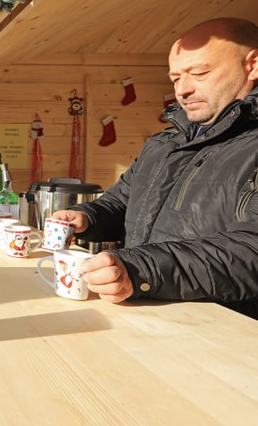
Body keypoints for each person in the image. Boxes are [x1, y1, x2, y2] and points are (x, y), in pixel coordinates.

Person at [52, 17, 258, 319]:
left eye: (199, 73)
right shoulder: (165, 142)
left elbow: (250, 251)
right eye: (175, 78)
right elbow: (122, 200)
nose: (183, 90)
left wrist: (139, 269)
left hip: (223, 339)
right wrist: (86, 218)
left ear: (252, 65)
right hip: (146, 317)